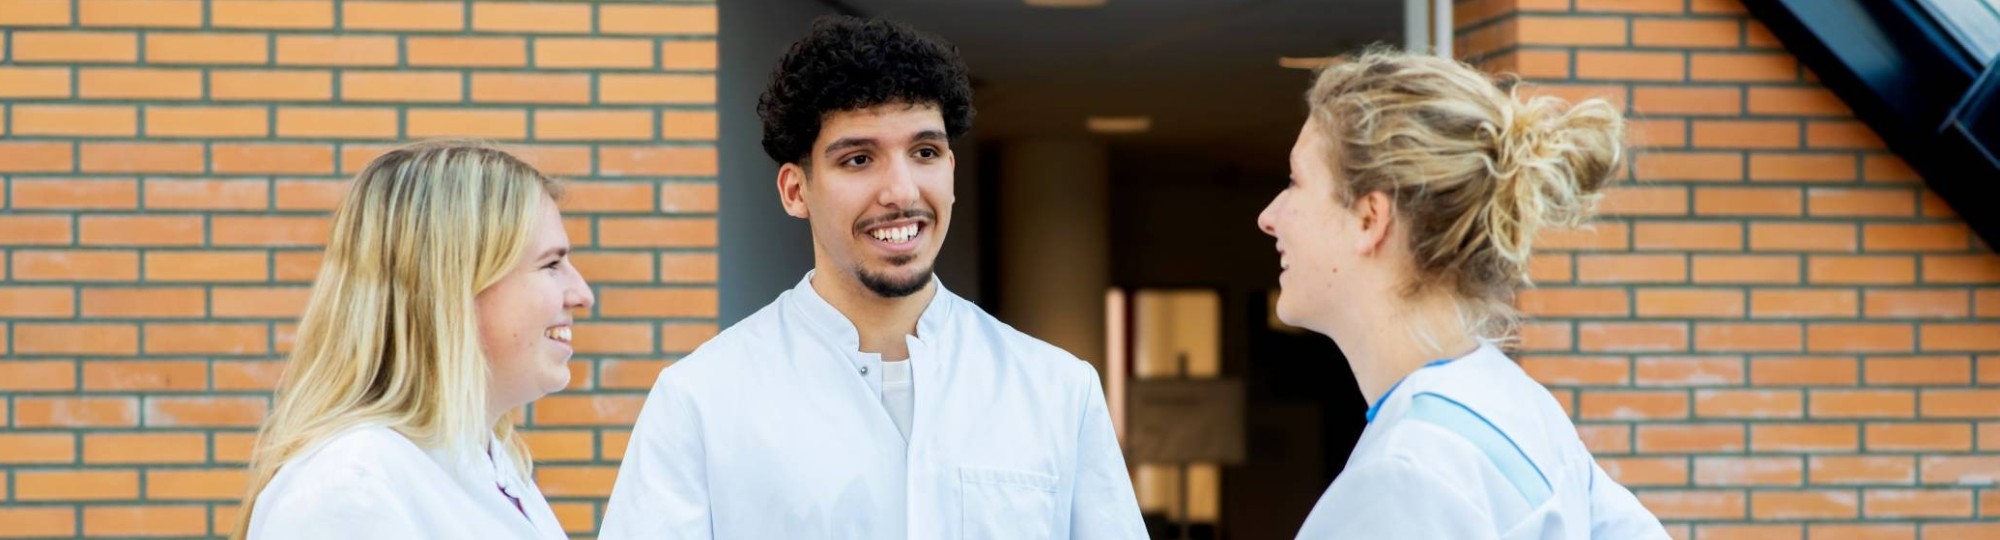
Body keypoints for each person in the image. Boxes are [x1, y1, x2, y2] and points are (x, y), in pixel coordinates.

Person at [599, 15, 1146, 539]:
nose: (902, 192)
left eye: (925, 152)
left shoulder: (1057, 392)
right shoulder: (702, 400)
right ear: (795, 191)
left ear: (951, 172)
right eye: (859, 159)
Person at [1257, 49, 1669, 538]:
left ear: (1370, 219)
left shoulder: (1406, 476)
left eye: (1295, 182)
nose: (1269, 216)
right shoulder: (1516, 404)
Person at [234, 141, 594, 539]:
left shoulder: (487, 466)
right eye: (551, 264)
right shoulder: (352, 488)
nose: (582, 294)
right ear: (453, 285)